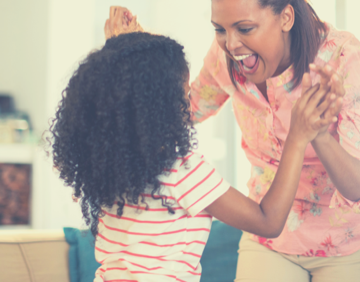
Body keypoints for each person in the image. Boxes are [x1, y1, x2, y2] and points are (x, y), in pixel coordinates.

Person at [106, 0, 360, 282]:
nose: (230, 44)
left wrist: (320, 135)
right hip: (270, 235)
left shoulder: (344, 59)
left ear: (285, 17)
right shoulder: (224, 58)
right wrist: (134, 56)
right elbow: (180, 113)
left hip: (349, 241)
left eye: (245, 28)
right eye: (219, 29)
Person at [48, 31, 343, 282]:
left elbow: (124, 89)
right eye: (183, 94)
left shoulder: (109, 169)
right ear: (160, 105)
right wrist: (298, 136)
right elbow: (268, 221)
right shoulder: (182, 170)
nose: (188, 104)